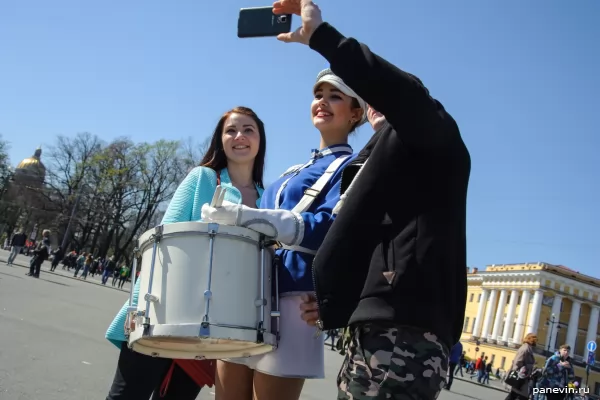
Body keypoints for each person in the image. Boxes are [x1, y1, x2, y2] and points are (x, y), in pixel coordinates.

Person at [271, 1, 471, 399]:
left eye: (376, 93)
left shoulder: (435, 135)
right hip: (371, 333)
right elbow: (368, 241)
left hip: (407, 333)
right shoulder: (377, 162)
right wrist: (334, 304)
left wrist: (322, 38)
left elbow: (403, 95)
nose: (373, 99)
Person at [201, 70, 367, 400]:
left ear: (355, 113)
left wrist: (332, 300)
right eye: (318, 94)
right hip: (247, 297)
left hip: (296, 301)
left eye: (335, 96)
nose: (322, 101)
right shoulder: (290, 172)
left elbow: (335, 232)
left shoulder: (354, 169)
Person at [104, 106, 267, 400]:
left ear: (260, 139)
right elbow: (162, 244)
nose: (239, 136)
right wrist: (138, 305)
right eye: (231, 130)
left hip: (219, 326)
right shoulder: (203, 179)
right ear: (221, 140)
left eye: (248, 129)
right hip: (166, 311)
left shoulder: (268, 198)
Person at [504, 333, 537, 400]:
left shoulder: (528, 348)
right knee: (522, 396)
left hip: (523, 377)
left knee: (513, 395)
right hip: (520, 376)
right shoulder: (525, 348)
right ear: (531, 339)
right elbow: (517, 362)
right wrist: (528, 366)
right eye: (535, 339)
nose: (536, 341)